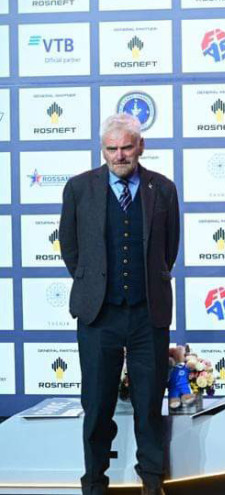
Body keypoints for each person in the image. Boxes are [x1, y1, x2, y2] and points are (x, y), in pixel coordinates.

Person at [59, 113, 180, 495]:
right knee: (96, 406)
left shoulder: (163, 188)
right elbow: (70, 247)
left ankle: (152, 483)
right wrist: (93, 283)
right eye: (111, 148)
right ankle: (94, 484)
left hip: (148, 313)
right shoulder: (79, 188)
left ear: (140, 146)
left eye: (126, 147)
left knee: (149, 405)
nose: (119, 155)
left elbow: (169, 248)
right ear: (102, 149)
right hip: (99, 315)